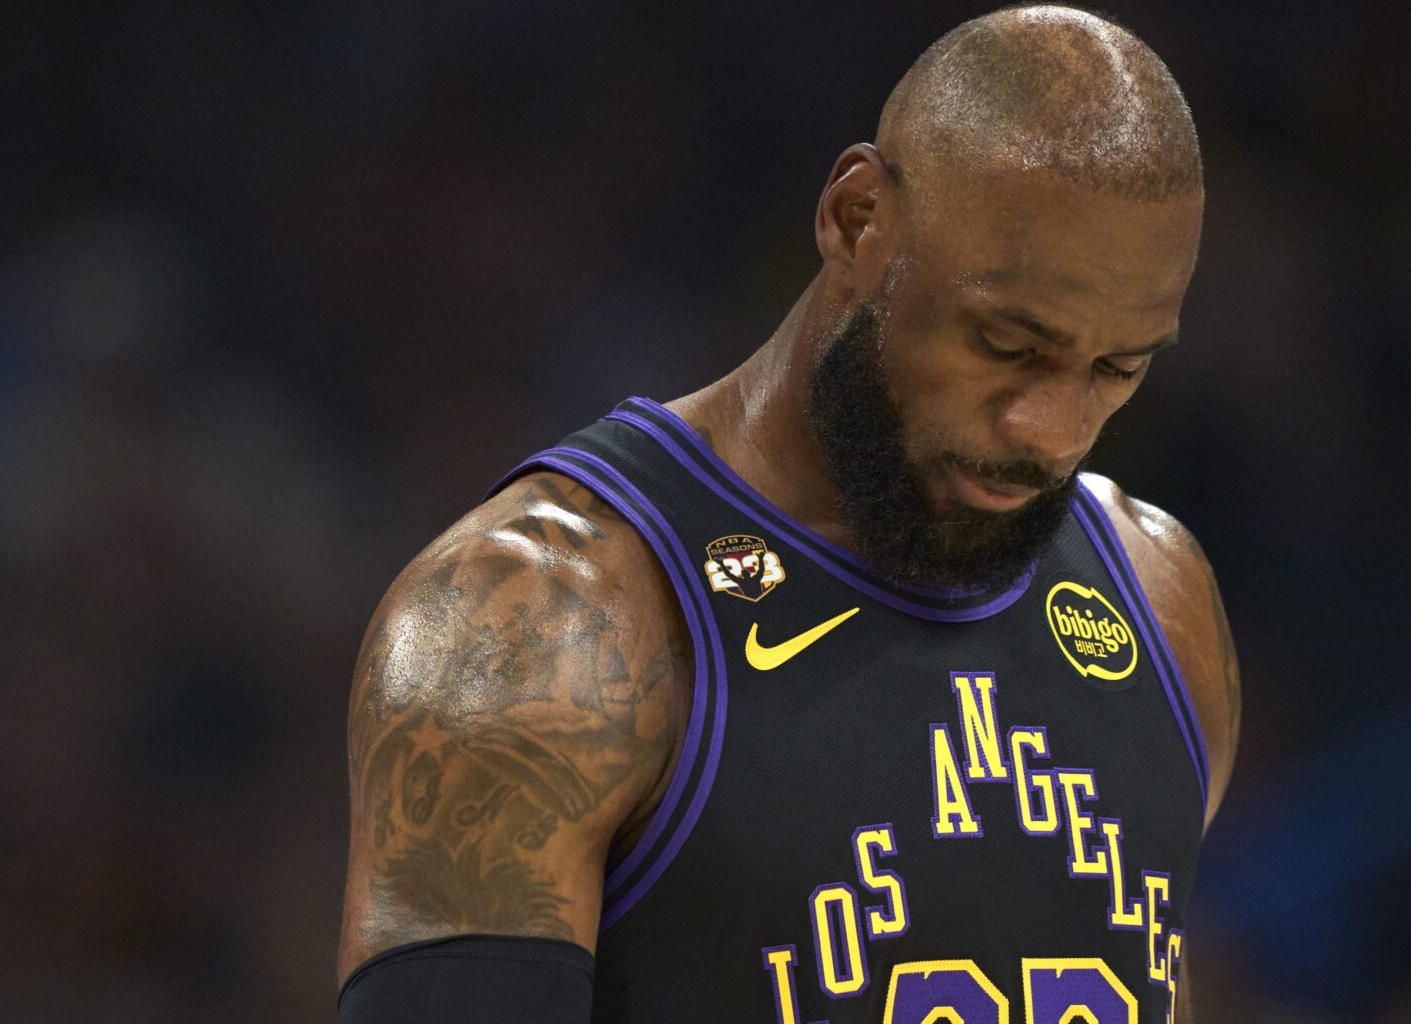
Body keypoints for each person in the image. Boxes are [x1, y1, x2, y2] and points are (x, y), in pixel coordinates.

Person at [336, 5, 1241, 1022]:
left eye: (1116, 368)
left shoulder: (1161, 602)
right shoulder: (543, 618)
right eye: (1004, 342)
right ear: (856, 218)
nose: (1052, 428)